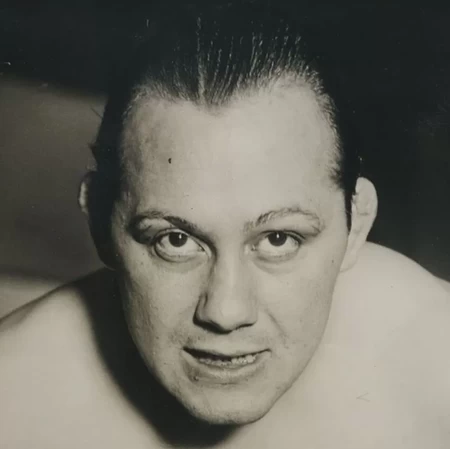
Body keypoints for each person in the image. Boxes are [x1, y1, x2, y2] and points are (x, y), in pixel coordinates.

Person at [1, 2, 449, 448]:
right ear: (101, 224)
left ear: (356, 224)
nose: (225, 311)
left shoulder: (435, 368)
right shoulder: (14, 403)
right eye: (176, 240)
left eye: (279, 239)